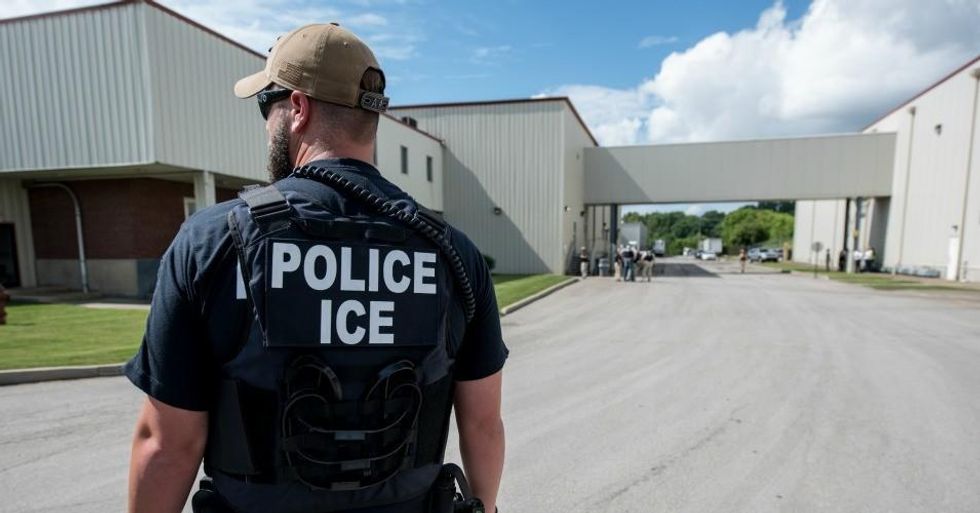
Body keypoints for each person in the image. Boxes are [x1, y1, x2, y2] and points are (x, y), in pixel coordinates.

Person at [124, 23, 506, 513]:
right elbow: (482, 423)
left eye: (268, 106)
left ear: (298, 109)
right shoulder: (452, 252)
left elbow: (166, 444)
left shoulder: (213, 241)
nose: (266, 124)